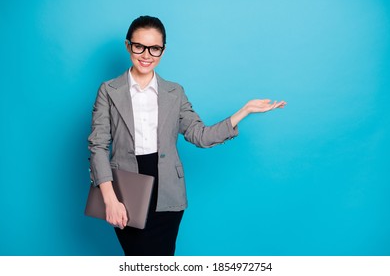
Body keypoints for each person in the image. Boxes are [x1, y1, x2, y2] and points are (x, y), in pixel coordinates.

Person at [88, 15, 286, 256]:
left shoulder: (175, 92)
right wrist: (109, 198)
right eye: (139, 46)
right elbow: (98, 146)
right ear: (128, 45)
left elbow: (200, 135)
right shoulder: (109, 90)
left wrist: (243, 112)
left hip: (168, 191)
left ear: (163, 50)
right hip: (125, 190)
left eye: (155, 48)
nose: (146, 55)